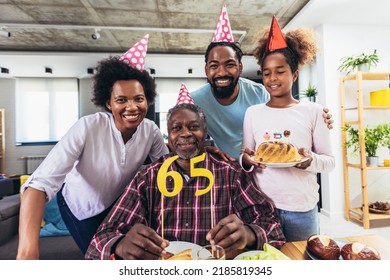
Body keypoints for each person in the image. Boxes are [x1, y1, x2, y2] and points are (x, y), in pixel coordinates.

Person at [17, 35, 169, 259]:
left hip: (117, 204)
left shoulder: (151, 131)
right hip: (80, 207)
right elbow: (39, 185)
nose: (132, 107)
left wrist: (203, 155)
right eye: (121, 100)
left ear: (148, 100)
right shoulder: (87, 127)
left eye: (139, 99)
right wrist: (27, 254)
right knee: (98, 258)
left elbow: (169, 170)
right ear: (108, 103)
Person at [85, 103, 285, 260]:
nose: (185, 133)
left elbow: (273, 227)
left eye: (193, 127)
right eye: (176, 128)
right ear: (169, 137)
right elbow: (99, 241)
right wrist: (120, 245)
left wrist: (248, 234)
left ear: (205, 132)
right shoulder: (148, 178)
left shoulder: (230, 174)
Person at [190, 5, 333, 160]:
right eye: (214, 65)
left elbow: (284, 114)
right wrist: (208, 149)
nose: (222, 72)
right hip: (225, 167)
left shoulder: (259, 93)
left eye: (229, 64)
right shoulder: (195, 101)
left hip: (262, 164)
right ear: (206, 70)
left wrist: (315, 118)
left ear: (240, 67)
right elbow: (180, 134)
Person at [240, 16, 335, 242]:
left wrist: (308, 160)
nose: (272, 78)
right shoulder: (253, 113)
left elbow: (329, 162)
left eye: (280, 71)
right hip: (262, 207)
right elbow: (245, 157)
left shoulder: (315, 111)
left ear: (294, 74)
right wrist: (247, 160)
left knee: (302, 263)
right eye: (266, 72)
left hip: (301, 210)